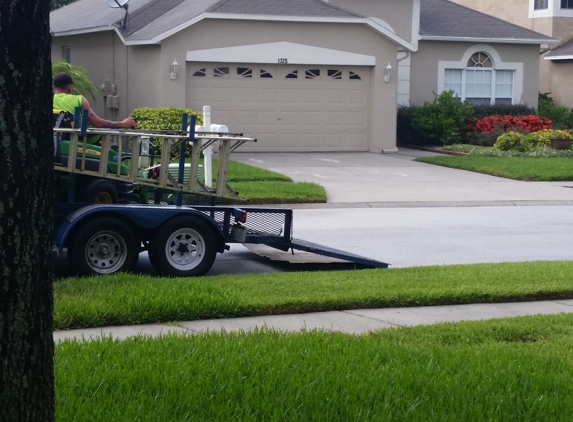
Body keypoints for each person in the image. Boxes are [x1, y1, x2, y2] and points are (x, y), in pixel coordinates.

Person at [52, 72, 135, 143]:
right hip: (81, 143)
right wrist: (123, 124)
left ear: (53, 88)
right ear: (69, 87)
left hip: (56, 142)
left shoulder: (48, 100)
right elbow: (98, 123)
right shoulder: (79, 100)